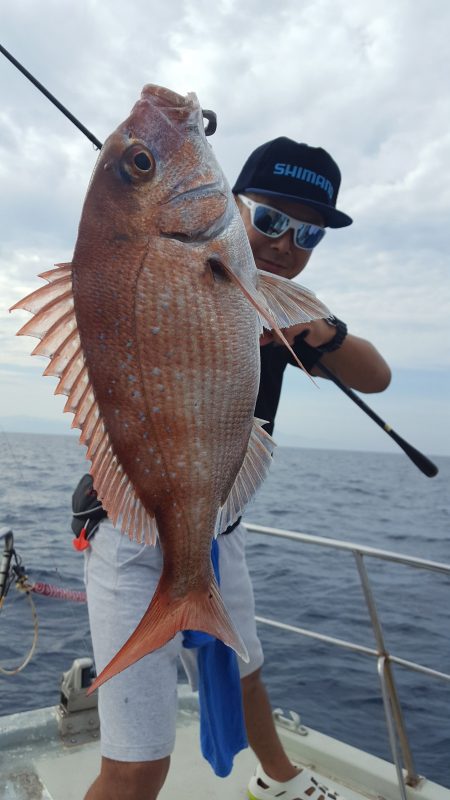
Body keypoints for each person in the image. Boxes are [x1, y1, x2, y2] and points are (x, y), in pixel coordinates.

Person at [83, 137, 391, 800]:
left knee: (245, 666)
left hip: (220, 525)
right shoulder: (174, 274)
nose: (285, 242)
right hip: (135, 527)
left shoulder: (280, 304)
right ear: (230, 205)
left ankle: (278, 776)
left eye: (308, 231)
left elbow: (379, 376)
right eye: (271, 219)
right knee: (138, 767)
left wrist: (325, 334)